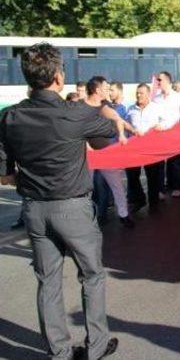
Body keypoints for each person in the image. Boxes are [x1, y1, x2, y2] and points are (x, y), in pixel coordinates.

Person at [0, 43, 119, 359]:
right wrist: (102, 106)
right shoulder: (76, 112)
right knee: (91, 275)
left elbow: (4, 173)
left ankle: (60, 352)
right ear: (56, 76)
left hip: (34, 209)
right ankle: (95, 347)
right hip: (72, 207)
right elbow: (106, 137)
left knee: (47, 281)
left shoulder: (10, 117)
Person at [85, 76, 136, 228]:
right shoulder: (80, 107)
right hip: (88, 155)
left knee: (117, 186)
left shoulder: (105, 104)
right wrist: (86, 146)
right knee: (87, 188)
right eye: (106, 87)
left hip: (106, 153)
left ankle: (124, 214)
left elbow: (117, 118)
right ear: (97, 89)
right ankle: (87, 217)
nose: (108, 89)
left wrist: (130, 130)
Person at [125, 83, 163, 213]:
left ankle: (154, 204)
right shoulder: (130, 109)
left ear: (148, 94)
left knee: (152, 177)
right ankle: (140, 199)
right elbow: (126, 126)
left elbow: (165, 122)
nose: (138, 95)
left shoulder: (156, 108)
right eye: (137, 92)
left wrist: (160, 127)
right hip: (134, 150)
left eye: (141, 93)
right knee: (132, 176)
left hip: (151, 149)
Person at [153, 71, 180, 197]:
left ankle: (177, 187)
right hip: (159, 133)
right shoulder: (156, 98)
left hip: (174, 133)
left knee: (175, 162)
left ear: (168, 81)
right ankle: (160, 190)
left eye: (160, 80)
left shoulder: (177, 97)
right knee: (159, 163)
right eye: (157, 80)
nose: (158, 82)